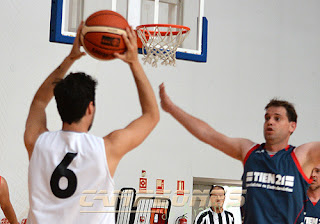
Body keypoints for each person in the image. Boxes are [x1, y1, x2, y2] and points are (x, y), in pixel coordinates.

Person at [24, 22, 159, 224]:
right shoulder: (107, 149)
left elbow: (39, 101)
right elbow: (151, 115)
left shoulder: (36, 143)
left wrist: (69, 60)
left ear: (59, 105)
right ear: (90, 108)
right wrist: (134, 62)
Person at [159, 83, 320, 224]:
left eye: (277, 118)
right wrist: (172, 109)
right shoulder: (249, 151)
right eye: (267, 117)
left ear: (292, 126)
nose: (270, 122)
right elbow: (208, 134)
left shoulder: (301, 156)